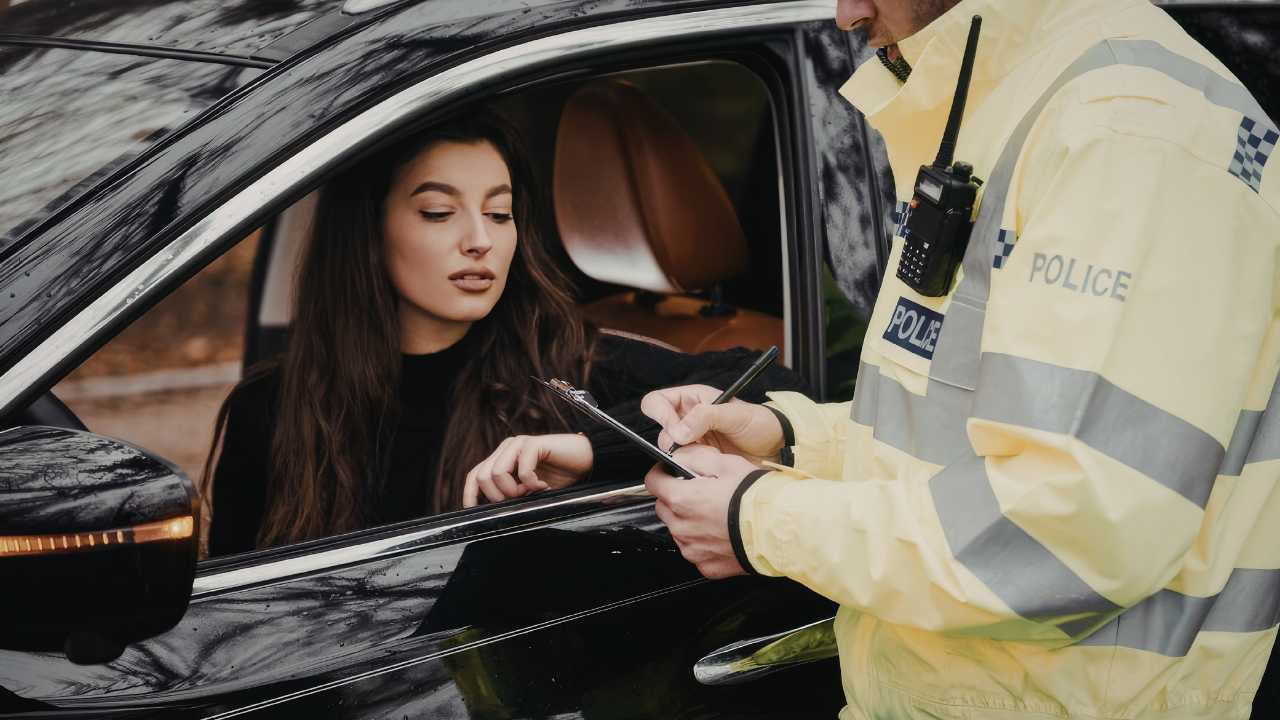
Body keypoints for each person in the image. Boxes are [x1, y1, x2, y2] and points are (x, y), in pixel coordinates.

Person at [640, 0, 1280, 718]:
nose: (847, 14)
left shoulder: (1125, 128)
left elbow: (1068, 528)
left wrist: (761, 519)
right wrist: (792, 439)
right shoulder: (1023, 99)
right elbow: (979, 424)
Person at [202, 110, 804, 557]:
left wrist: (595, 447)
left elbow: (771, 385)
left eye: (499, 213)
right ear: (367, 231)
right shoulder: (271, 408)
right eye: (439, 213)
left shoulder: (566, 366)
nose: (481, 241)